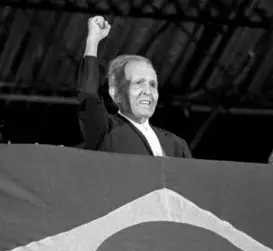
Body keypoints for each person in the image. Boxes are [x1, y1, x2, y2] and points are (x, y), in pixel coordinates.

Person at [77, 16, 192, 158]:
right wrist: (92, 40)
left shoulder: (176, 144)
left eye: (152, 84)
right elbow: (88, 94)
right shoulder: (106, 130)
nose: (147, 91)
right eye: (139, 82)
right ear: (115, 93)